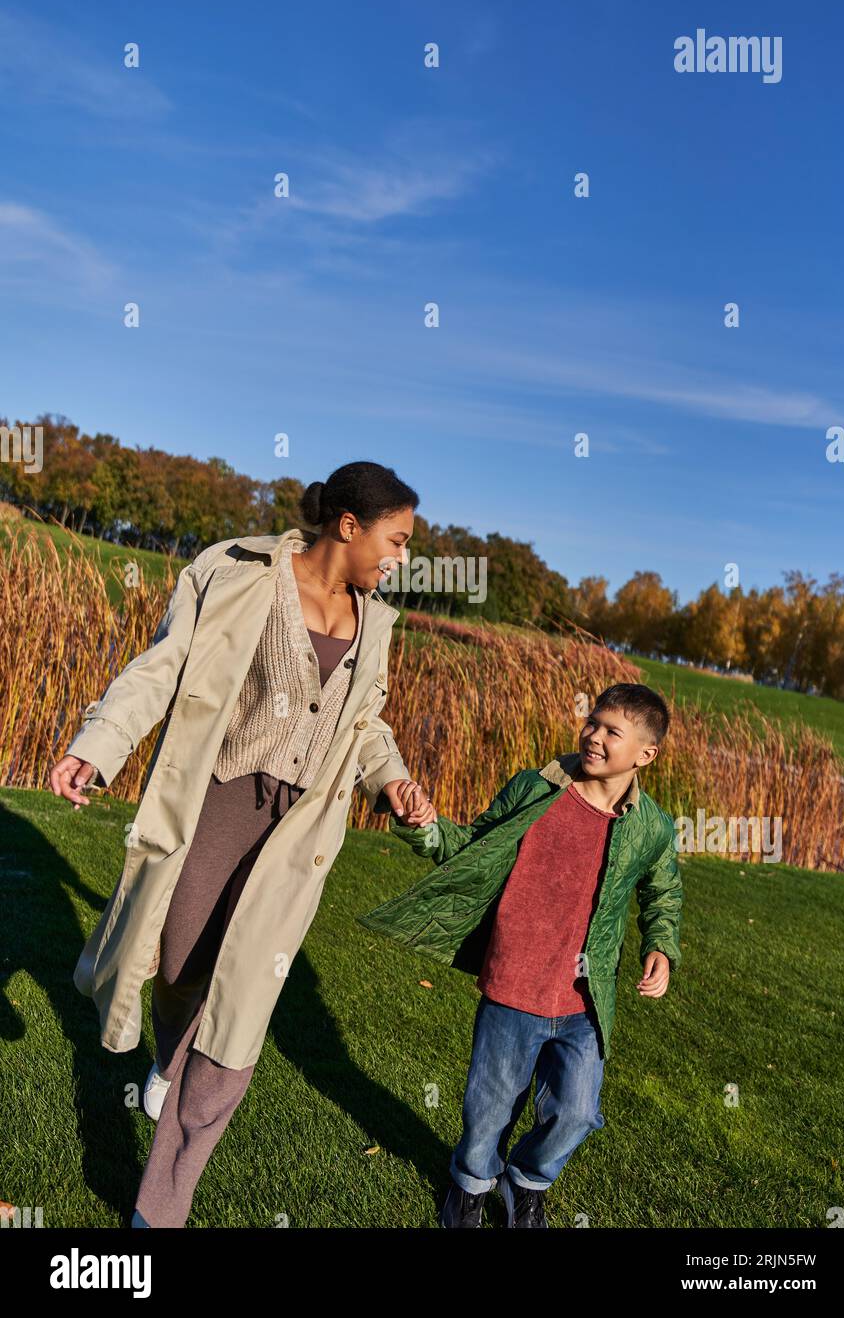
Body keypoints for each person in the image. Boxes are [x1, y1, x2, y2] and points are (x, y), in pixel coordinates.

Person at [49, 461, 435, 1228]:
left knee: (240, 1013)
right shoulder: (233, 572)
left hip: (296, 833)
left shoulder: (378, 621)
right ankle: (167, 1058)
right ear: (347, 526)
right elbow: (162, 668)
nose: (401, 559)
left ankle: (159, 1209)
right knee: (182, 966)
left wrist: (390, 782)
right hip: (215, 803)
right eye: (395, 541)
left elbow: (367, 728)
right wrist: (100, 743)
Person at [360, 682, 684, 1229]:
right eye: (593, 723)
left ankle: (526, 1182)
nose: (594, 736)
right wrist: (425, 827)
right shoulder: (538, 789)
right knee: (488, 1110)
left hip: (585, 1000)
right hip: (514, 984)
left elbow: (662, 891)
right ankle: (469, 1186)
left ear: (645, 754)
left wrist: (661, 946)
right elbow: (473, 848)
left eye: (612, 732)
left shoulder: (650, 826)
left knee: (577, 1112)